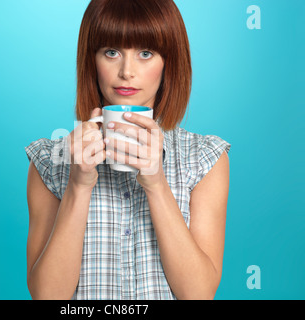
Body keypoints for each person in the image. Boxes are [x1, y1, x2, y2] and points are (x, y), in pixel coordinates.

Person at [25, 0, 231, 300]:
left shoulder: (204, 158)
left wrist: (157, 184)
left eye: (146, 53)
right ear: (91, 61)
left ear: (168, 63)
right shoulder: (50, 159)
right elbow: (47, 297)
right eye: (111, 52)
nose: (126, 72)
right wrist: (78, 185)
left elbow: (198, 294)